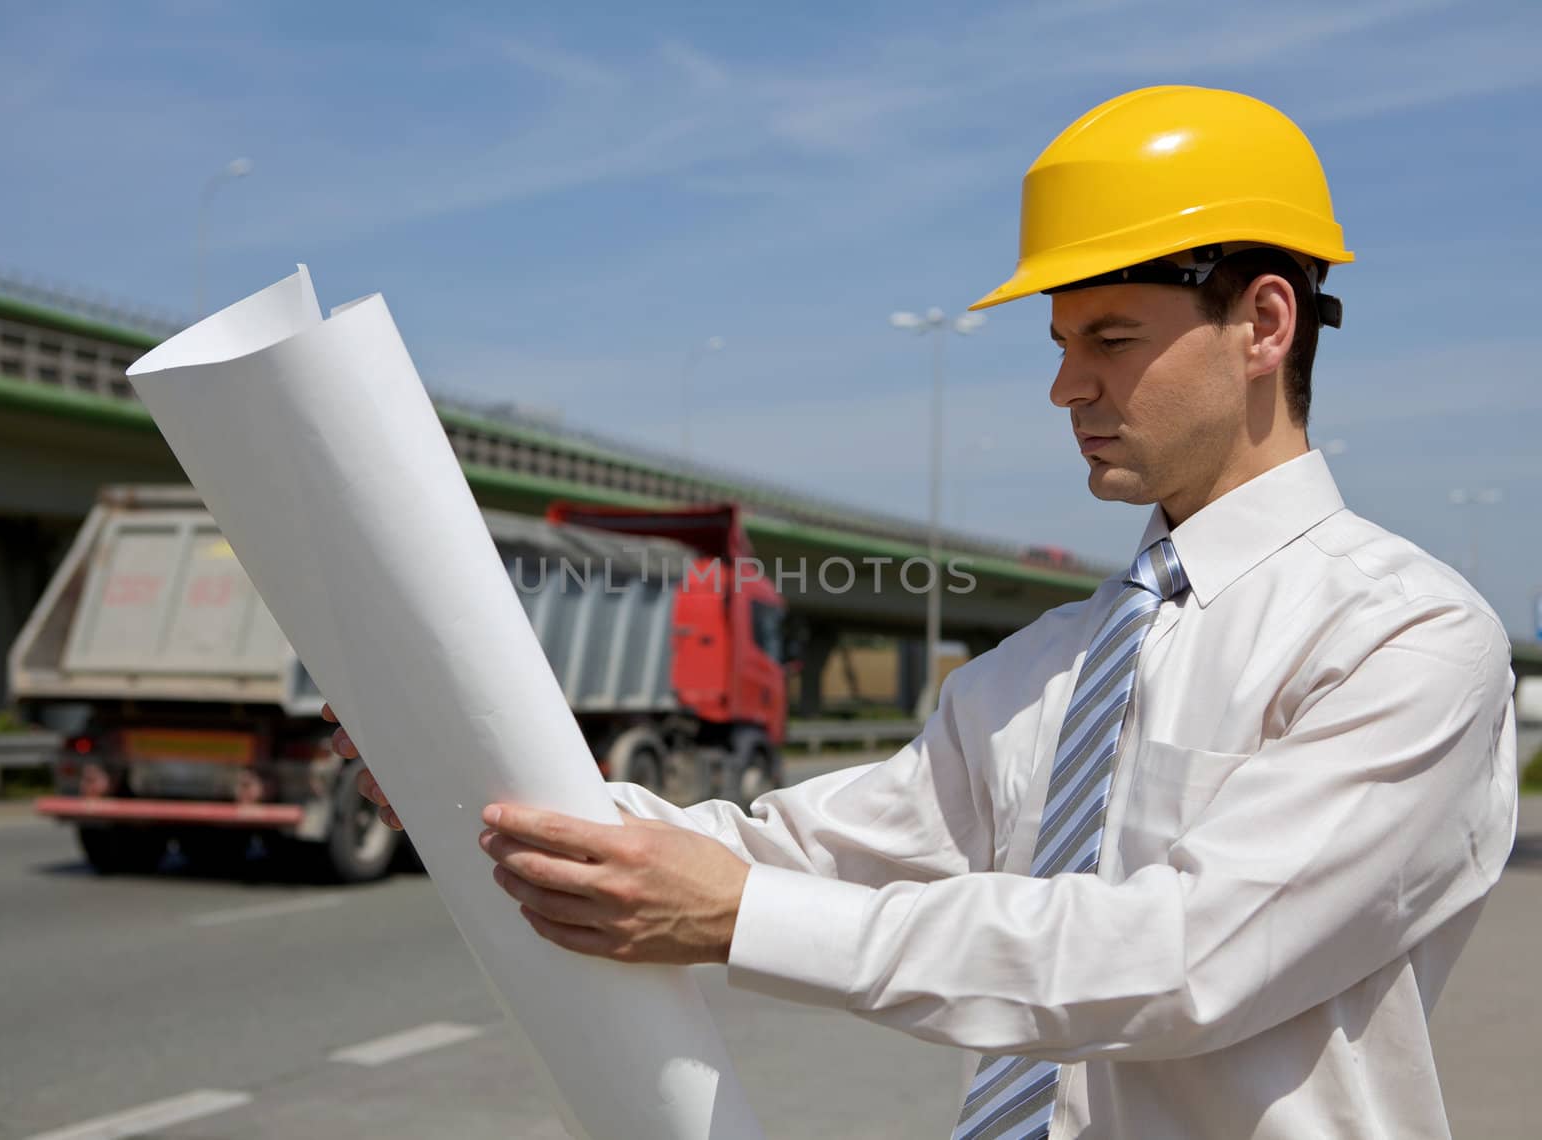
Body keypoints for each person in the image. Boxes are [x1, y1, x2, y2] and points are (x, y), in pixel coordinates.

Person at [325, 86, 1518, 1138]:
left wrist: (741, 920)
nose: (1065, 387)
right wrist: (470, 779)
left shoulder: (1403, 639)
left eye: (1110, 337)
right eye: (1058, 344)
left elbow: (1183, 958)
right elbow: (789, 852)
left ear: (1263, 325)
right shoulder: (1049, 666)